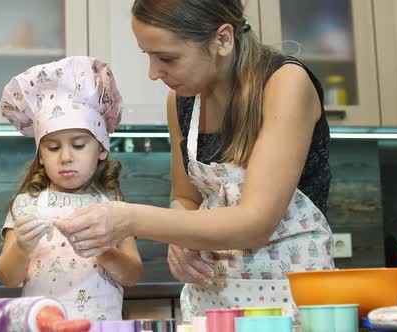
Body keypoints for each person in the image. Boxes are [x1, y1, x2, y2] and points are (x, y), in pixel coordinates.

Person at [56, 0, 335, 322]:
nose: (153, 73)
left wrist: (129, 219)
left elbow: (256, 223)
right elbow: (185, 198)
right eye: (148, 56)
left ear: (223, 40)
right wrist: (180, 240)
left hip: (293, 305)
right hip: (212, 304)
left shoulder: (284, 83)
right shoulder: (182, 101)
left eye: (167, 58)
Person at [0, 56, 142, 321]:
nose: (65, 157)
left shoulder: (114, 206)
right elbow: (7, 278)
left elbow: (131, 276)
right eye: (53, 147)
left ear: (101, 149)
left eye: (78, 145)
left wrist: (102, 249)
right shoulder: (25, 205)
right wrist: (21, 248)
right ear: (40, 155)